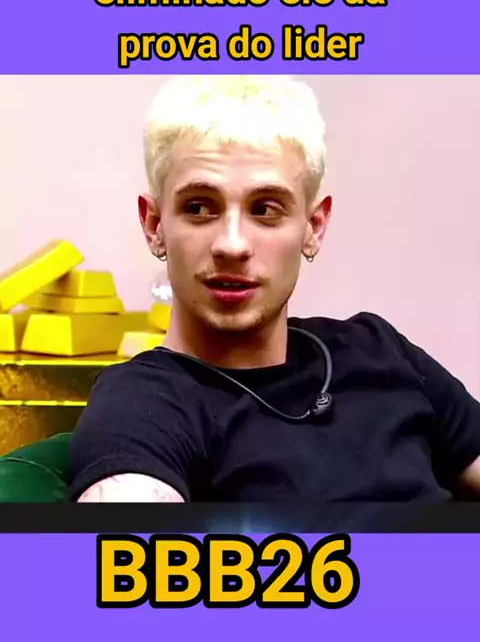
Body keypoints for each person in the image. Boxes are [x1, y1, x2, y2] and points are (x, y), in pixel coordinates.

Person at [68, 74, 480, 503]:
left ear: (313, 227)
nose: (232, 245)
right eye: (199, 207)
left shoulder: (379, 349)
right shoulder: (144, 404)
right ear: (155, 226)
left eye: (265, 209)